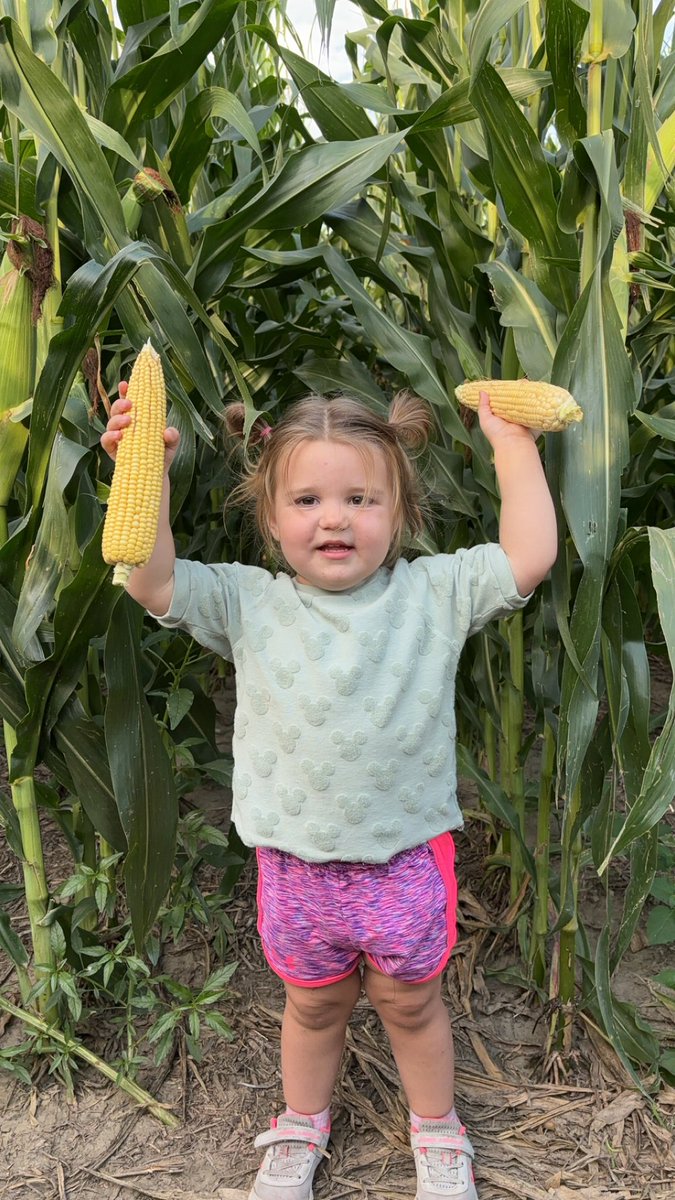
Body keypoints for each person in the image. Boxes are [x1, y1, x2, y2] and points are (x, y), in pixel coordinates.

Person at [102, 382, 557, 1200]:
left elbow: (527, 556)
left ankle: (436, 1128)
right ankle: (301, 1123)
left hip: (404, 863)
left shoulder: (434, 594)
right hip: (297, 870)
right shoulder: (248, 601)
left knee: (409, 1005)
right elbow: (150, 581)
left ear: (401, 510)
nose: (334, 518)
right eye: (308, 499)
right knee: (311, 1009)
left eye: (360, 498)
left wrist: (510, 443)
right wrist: (149, 474)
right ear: (273, 520)